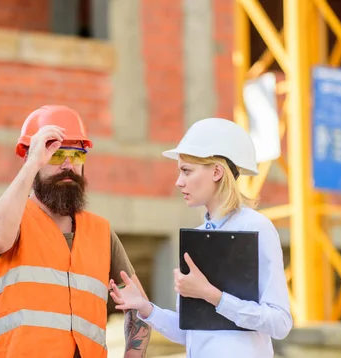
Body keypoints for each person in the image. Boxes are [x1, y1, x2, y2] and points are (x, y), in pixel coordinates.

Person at [0, 105, 151, 358]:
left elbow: (139, 307)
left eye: (76, 155)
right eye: (55, 155)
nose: (68, 164)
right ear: (31, 157)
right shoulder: (12, 217)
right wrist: (32, 164)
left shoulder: (100, 231)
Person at [109, 117, 293, 358]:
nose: (179, 181)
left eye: (187, 171)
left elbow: (280, 323)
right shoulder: (197, 236)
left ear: (217, 171)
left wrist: (212, 295)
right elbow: (191, 334)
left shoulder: (257, 227)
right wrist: (146, 308)